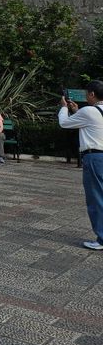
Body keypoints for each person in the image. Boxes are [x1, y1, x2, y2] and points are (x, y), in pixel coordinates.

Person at [59, 80, 103, 251]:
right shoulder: (91, 112)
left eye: (87, 93)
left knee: (96, 198)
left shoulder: (89, 111)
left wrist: (64, 107)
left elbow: (64, 123)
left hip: (95, 158)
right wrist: (77, 112)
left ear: (92, 94)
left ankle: (101, 238)